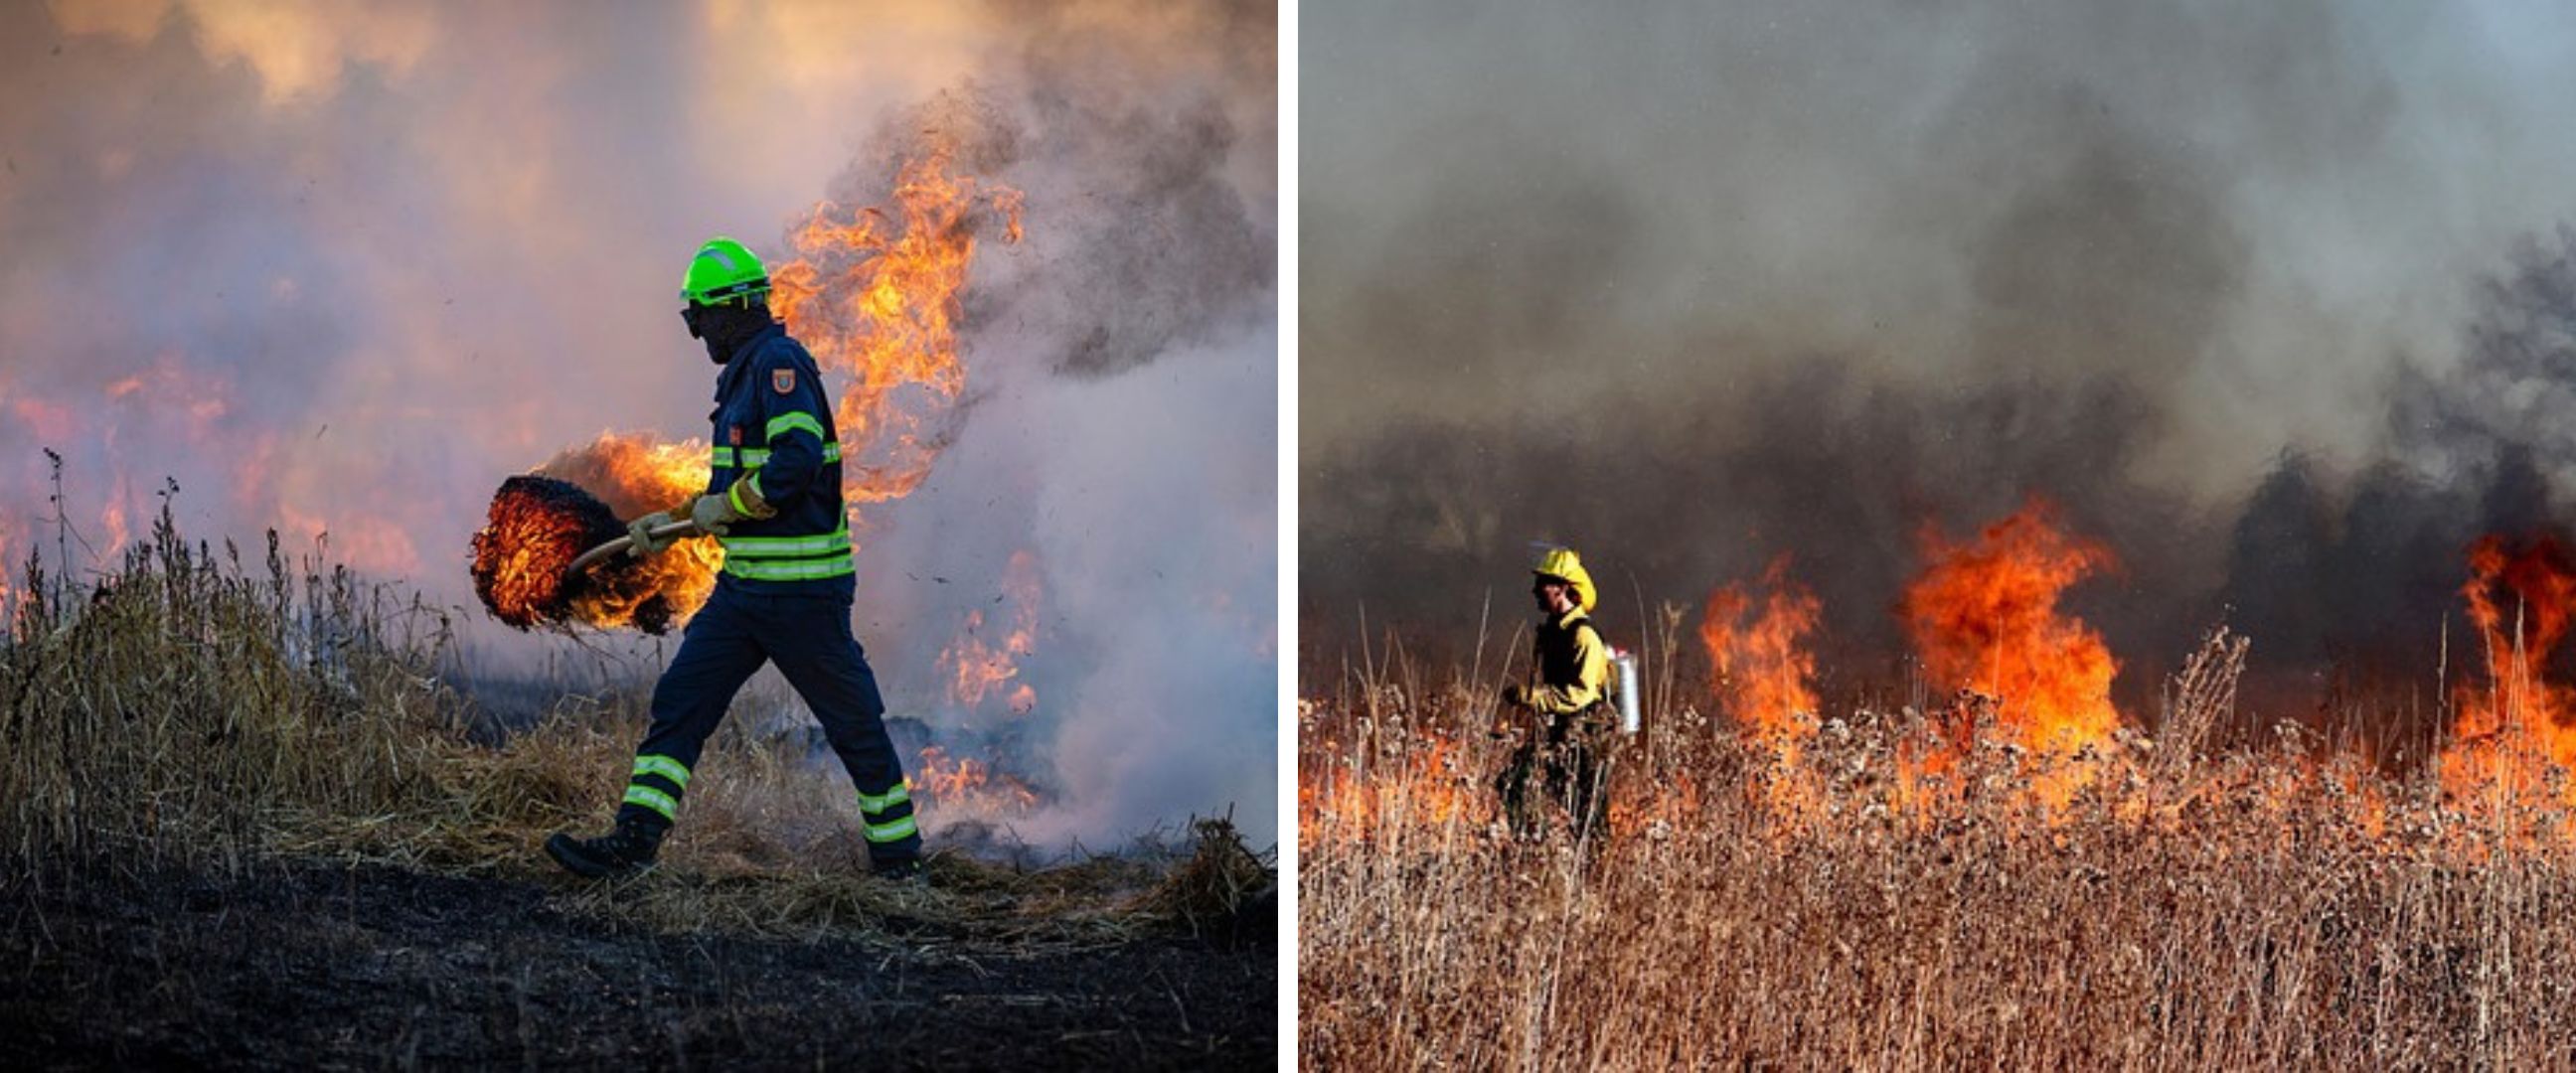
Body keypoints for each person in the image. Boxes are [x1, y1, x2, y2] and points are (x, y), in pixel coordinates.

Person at [546, 236, 923, 880]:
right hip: (745, 595)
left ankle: (899, 865)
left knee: (853, 726)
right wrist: (676, 521)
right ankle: (631, 846)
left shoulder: (779, 366)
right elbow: (734, 494)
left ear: (732, 309)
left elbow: (795, 464)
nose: (700, 337)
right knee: (681, 701)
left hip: (803, 597)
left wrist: (731, 505)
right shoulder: (745, 374)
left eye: (701, 319)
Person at [1494, 546, 1615, 840]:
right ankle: (1535, 845)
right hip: (1559, 727)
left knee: (1586, 808)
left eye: (1543, 583)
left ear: (1562, 589)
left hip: (1586, 730)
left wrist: (1530, 696)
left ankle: (1592, 866)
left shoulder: (1583, 635)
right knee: (1513, 782)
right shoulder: (1552, 631)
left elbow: (1580, 695)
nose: (1535, 590)